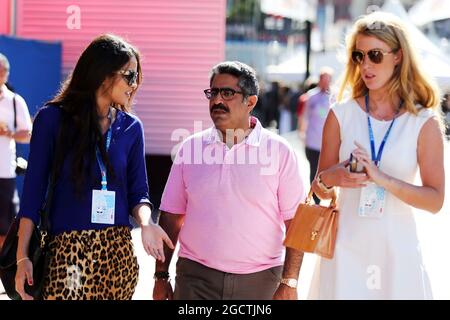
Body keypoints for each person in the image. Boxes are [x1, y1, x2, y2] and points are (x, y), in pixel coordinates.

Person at [283, 12, 445, 300]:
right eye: (359, 56)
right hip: (344, 248)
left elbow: (434, 201)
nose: (366, 65)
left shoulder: (423, 122)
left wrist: (382, 179)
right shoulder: (340, 114)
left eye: (375, 55)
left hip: (397, 252)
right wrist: (331, 178)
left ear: (398, 56)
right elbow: (320, 190)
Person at [14, 34, 174, 300]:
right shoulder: (52, 119)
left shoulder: (131, 127)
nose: (134, 86)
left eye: (137, 78)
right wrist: (22, 258)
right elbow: (32, 195)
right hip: (68, 255)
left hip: (118, 255)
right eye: (129, 76)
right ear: (103, 74)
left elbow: (139, 194)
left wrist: (147, 224)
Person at [153, 61, 306, 300]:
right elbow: (171, 217)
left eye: (227, 93)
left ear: (251, 102)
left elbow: (297, 222)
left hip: (261, 282)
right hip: (196, 280)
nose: (216, 101)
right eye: (213, 93)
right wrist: (161, 276)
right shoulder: (190, 148)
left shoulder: (279, 152)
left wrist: (290, 281)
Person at [0, 53, 32, 251]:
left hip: (4, 171)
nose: (0, 75)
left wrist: (9, 133)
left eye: (3, 71)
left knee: (6, 227)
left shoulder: (15, 101)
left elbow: (28, 134)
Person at [301, 67, 333, 203]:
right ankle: (315, 199)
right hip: (313, 141)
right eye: (323, 79)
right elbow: (304, 116)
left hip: (329, 143)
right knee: (314, 170)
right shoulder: (311, 96)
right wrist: (302, 133)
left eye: (328, 79)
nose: (325, 82)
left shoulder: (335, 96)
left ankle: (327, 196)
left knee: (328, 172)